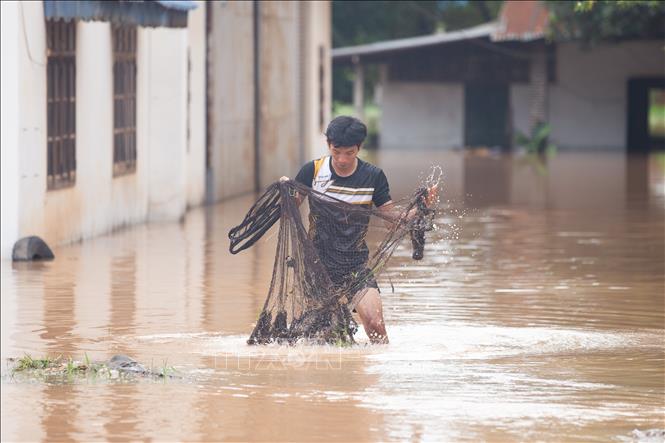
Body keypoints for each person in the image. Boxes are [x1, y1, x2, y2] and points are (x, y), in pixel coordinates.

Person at [281, 116, 436, 344]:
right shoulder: (312, 171)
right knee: (315, 334)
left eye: (349, 153)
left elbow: (390, 221)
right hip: (317, 266)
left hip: (355, 265)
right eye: (336, 152)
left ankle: (380, 364)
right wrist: (286, 192)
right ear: (328, 145)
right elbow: (289, 210)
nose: (342, 159)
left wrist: (418, 209)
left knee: (375, 324)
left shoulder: (373, 176)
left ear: (360, 147)